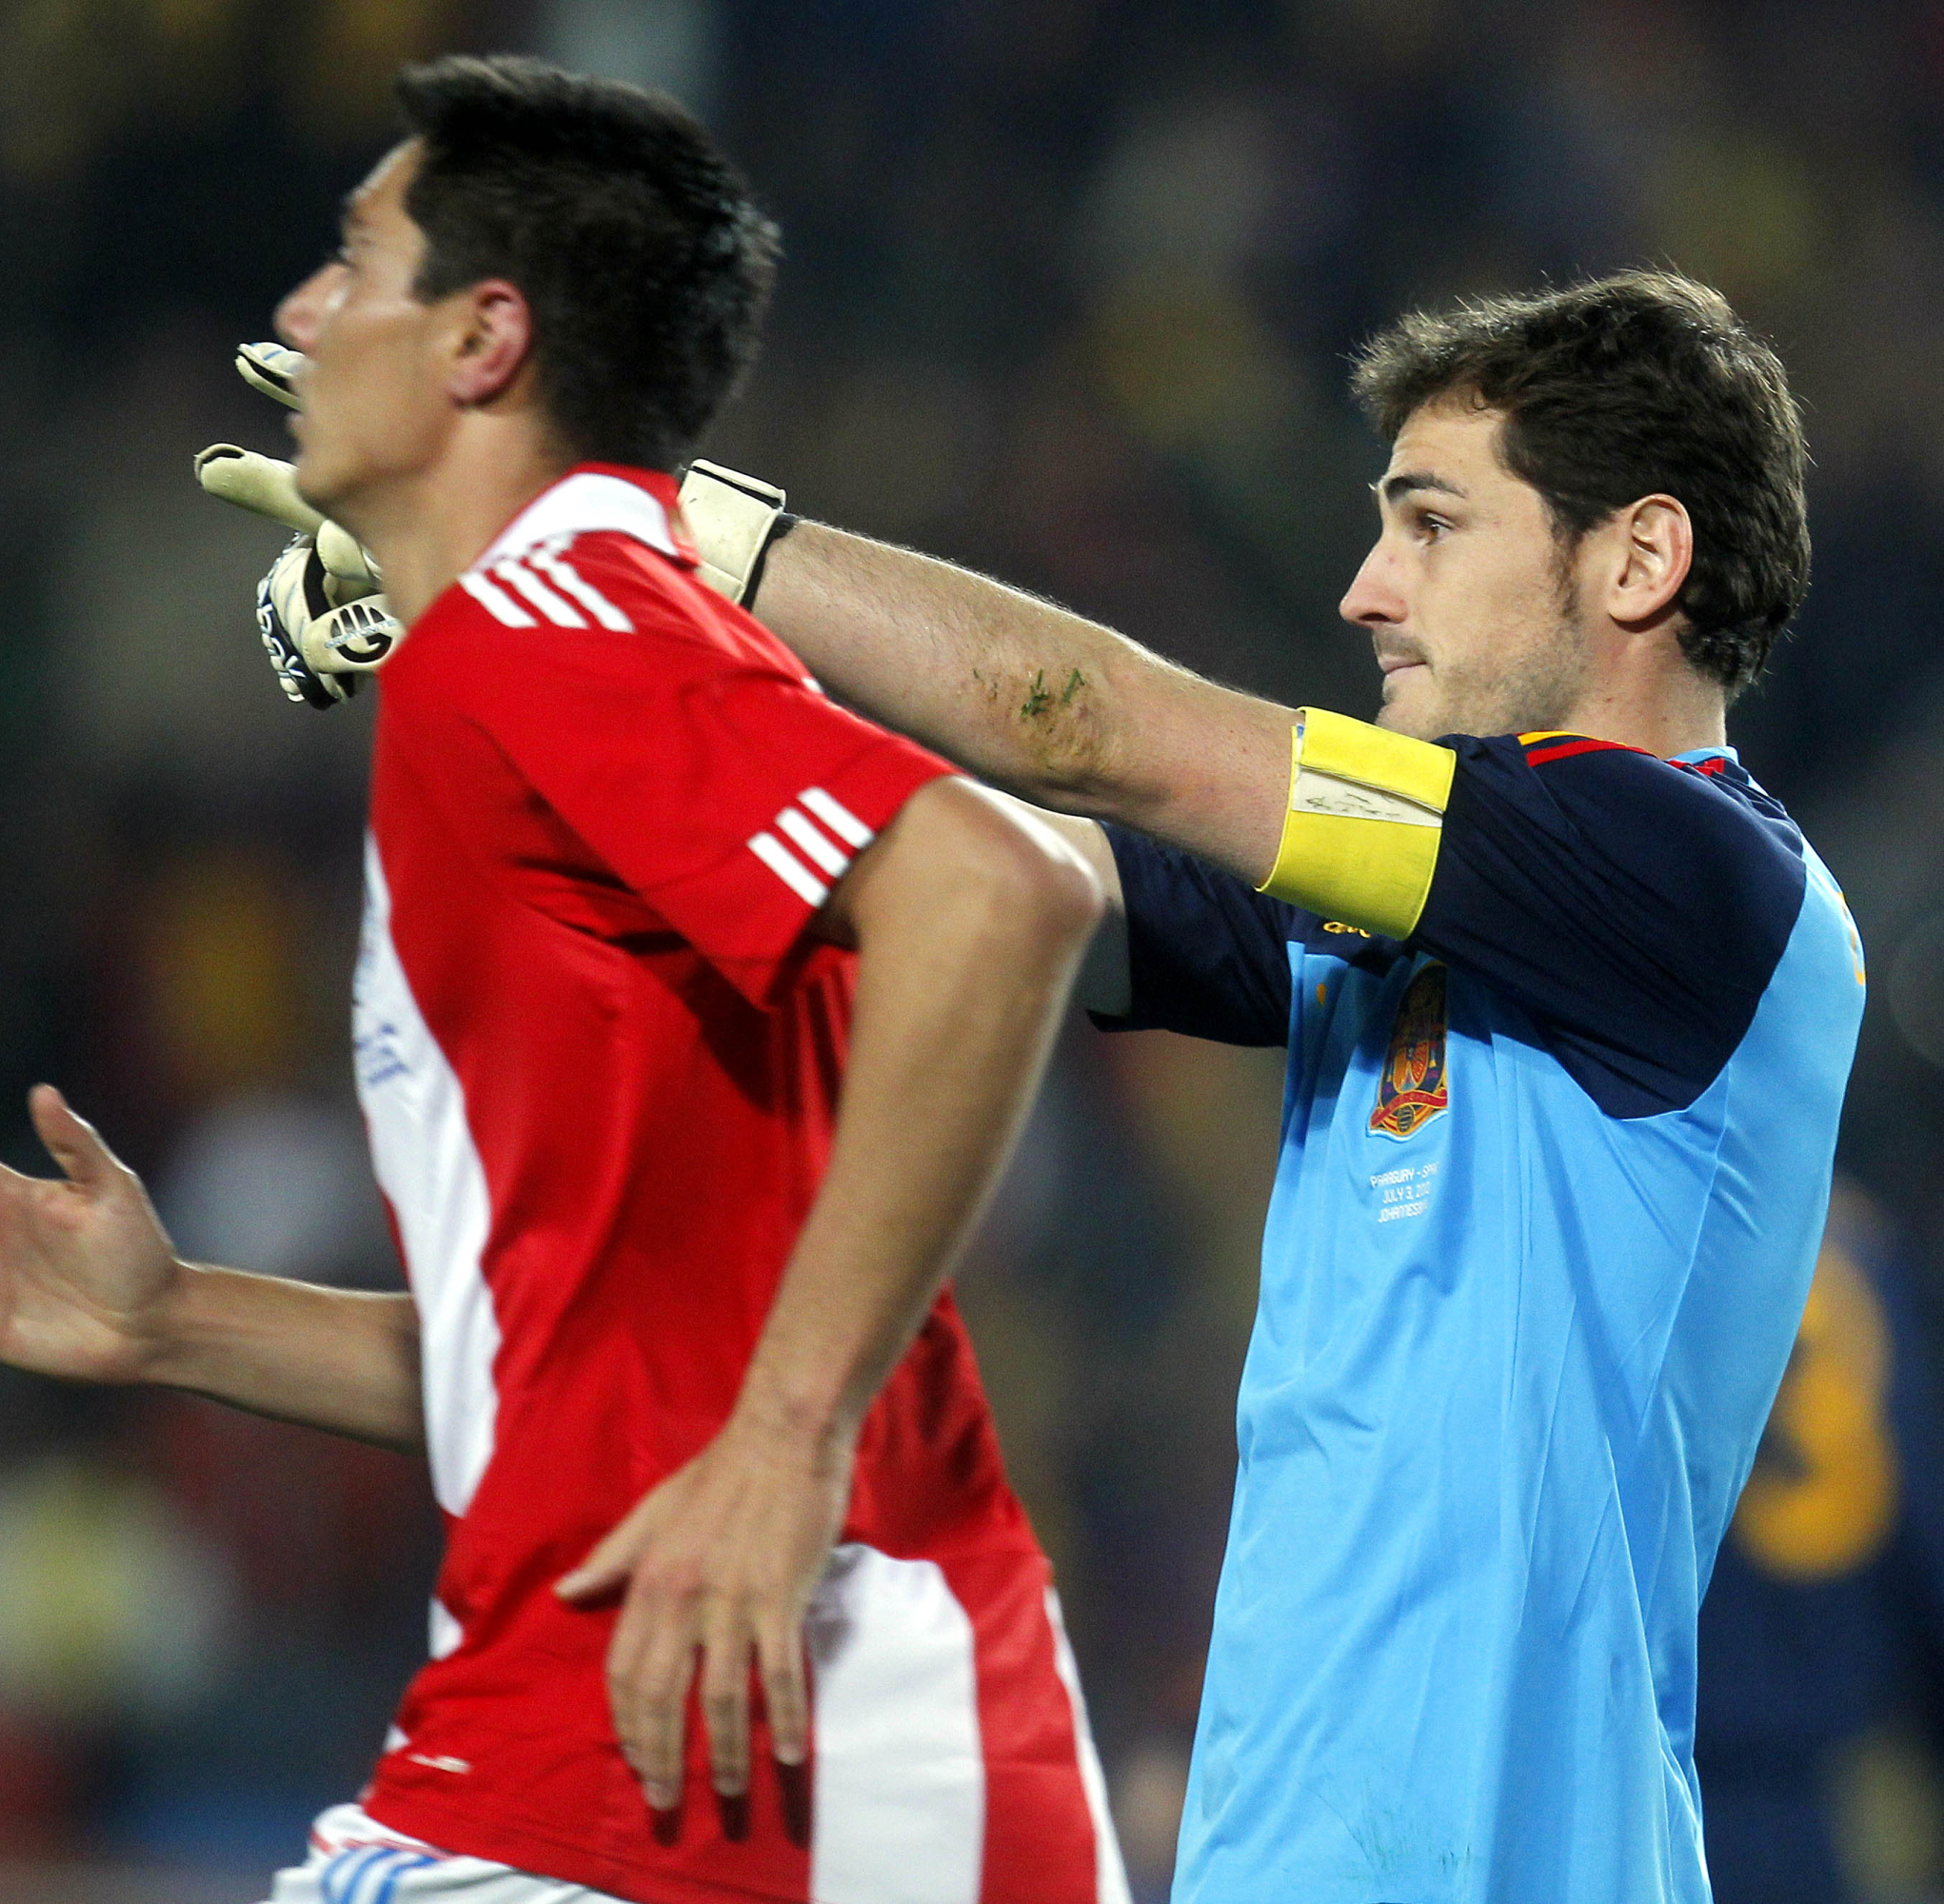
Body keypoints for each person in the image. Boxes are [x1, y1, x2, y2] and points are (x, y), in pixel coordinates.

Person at [0, 55, 1131, 1904]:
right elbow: (586, 1371)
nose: (298, 312)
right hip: (697, 1741)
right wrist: (167, 1321)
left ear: (482, 339)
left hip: (714, 1755)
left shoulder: (546, 612)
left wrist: (784, 1440)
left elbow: (1006, 886)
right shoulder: (517, 661)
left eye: (353, 261)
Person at [657, 272, 1867, 1900]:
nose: (1366, 590)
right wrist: (538, 633)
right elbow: (955, 879)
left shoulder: (1694, 879)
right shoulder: (1399, 905)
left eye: (1431, 525)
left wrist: (665, 532)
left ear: (1639, 559)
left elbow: (1090, 731)